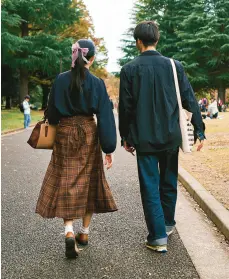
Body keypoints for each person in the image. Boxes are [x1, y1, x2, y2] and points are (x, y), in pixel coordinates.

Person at [119, 21, 205, 253]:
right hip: (170, 136)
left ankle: (157, 237)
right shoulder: (174, 66)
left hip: (144, 138)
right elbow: (189, 97)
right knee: (168, 182)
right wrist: (199, 128)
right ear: (157, 40)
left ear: (138, 41)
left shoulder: (129, 69)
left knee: (150, 185)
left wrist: (125, 136)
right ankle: (167, 224)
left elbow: (125, 108)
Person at [35, 39, 117, 259]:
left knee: (67, 179)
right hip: (89, 133)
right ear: (91, 59)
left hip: (65, 132)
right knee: (89, 179)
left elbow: (52, 114)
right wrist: (108, 148)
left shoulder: (61, 80)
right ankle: (84, 233)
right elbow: (106, 117)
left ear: (73, 56)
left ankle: (68, 230)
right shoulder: (98, 83)